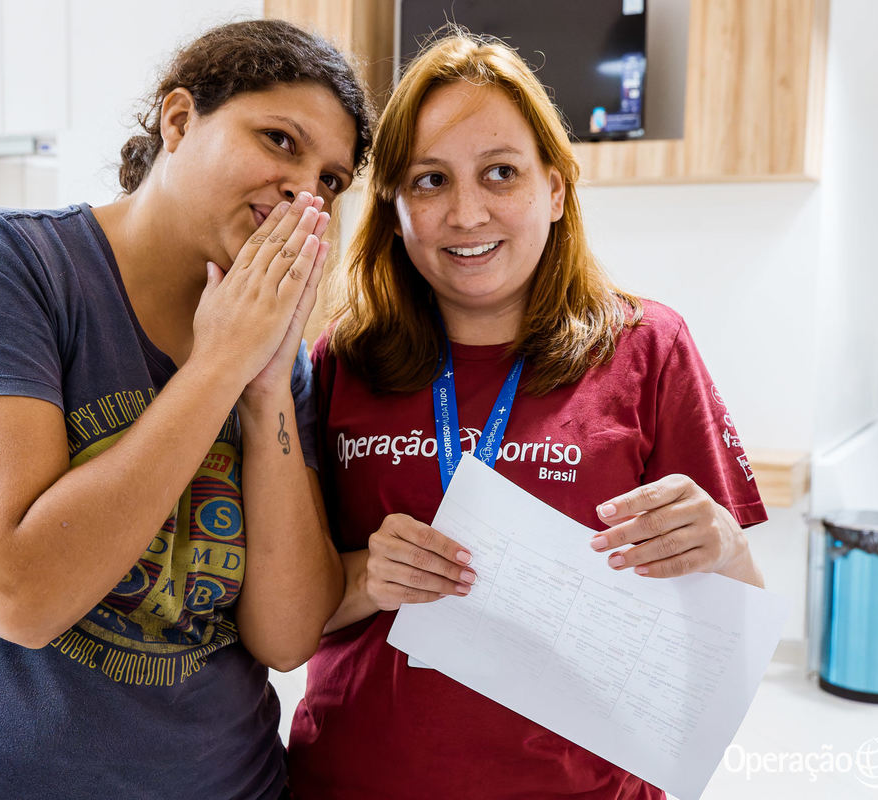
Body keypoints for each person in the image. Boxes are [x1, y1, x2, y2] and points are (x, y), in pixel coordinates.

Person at [0, 20, 370, 799]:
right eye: (278, 140)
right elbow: (22, 594)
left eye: (332, 181)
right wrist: (219, 367)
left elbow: (285, 635)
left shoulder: (273, 355)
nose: (305, 191)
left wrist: (268, 384)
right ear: (179, 121)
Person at [287, 33, 766, 799]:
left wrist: (724, 545)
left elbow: (737, 615)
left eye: (500, 173)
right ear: (395, 206)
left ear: (555, 188)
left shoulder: (648, 347)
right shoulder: (341, 361)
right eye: (430, 180)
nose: (466, 212)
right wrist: (366, 578)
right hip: (358, 779)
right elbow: (284, 619)